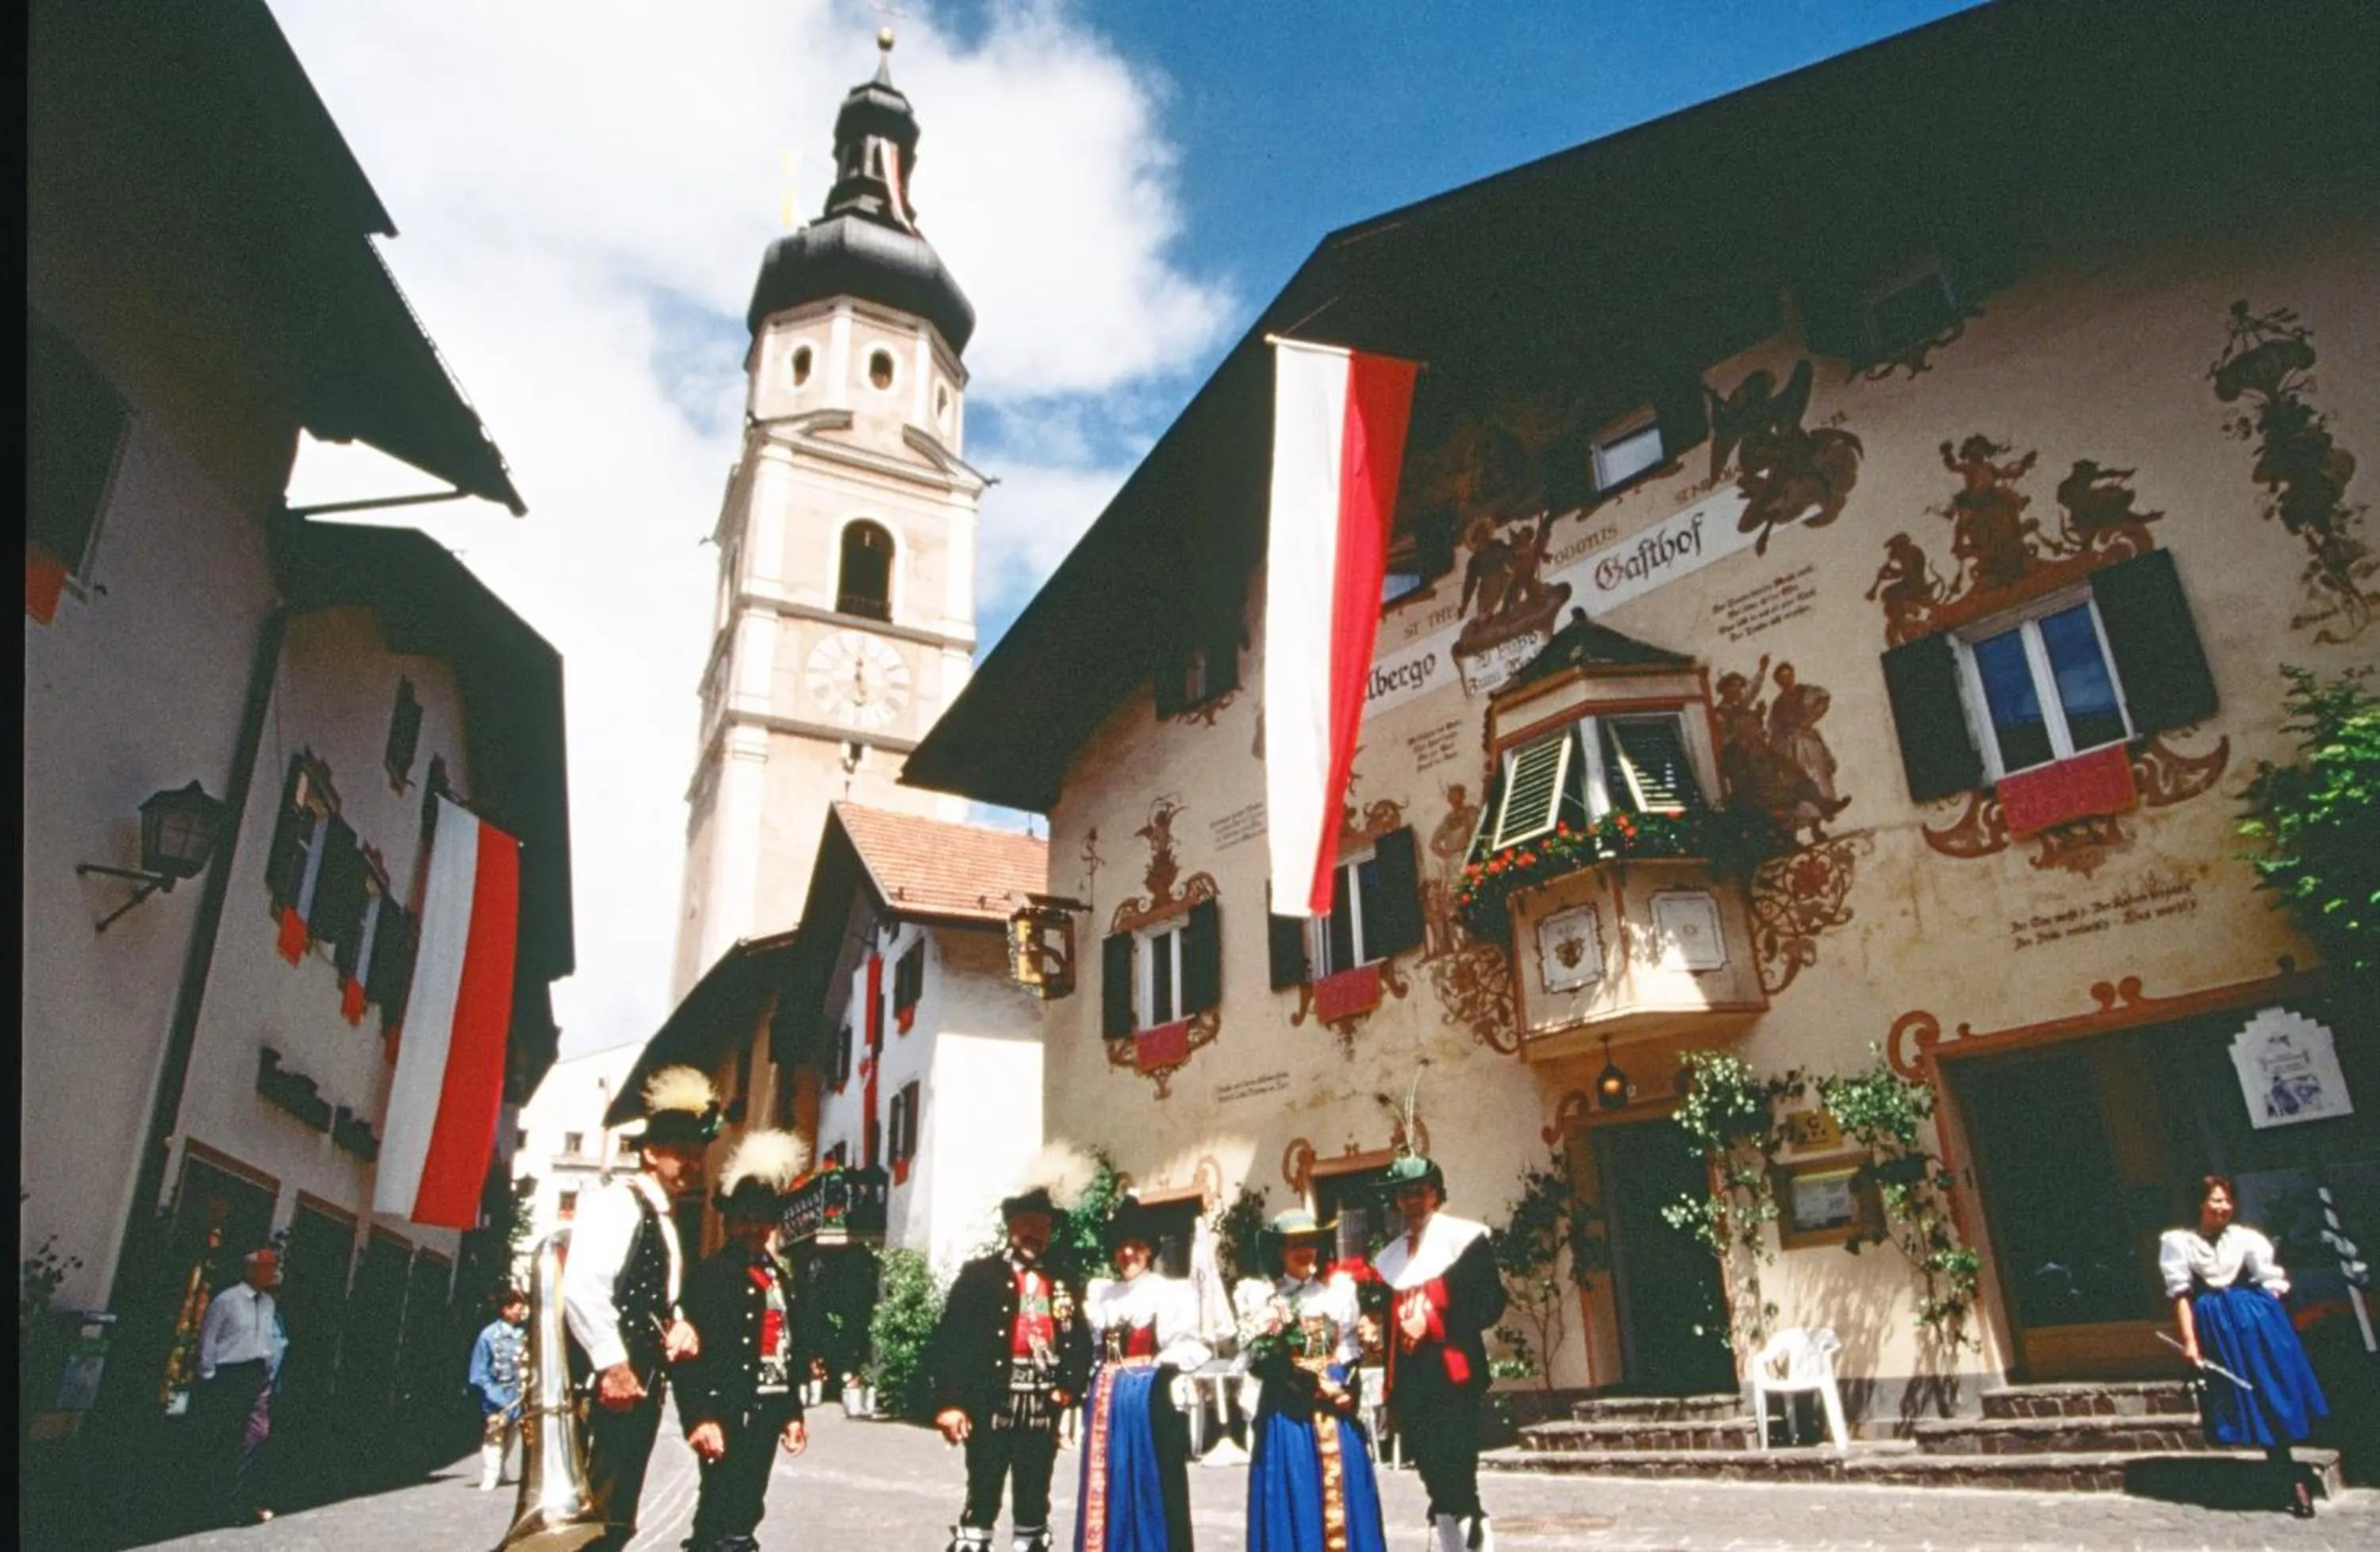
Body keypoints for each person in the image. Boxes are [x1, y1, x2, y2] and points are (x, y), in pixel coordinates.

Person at [562, 1064, 718, 1550]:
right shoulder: (618, 1203)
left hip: (640, 1390)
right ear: (650, 1152)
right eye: (681, 1154)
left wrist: (680, 1325)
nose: (692, 1164)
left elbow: (653, 1298)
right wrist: (612, 1365)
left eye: (697, 1155)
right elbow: (584, 1287)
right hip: (610, 1390)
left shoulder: (664, 1219)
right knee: (588, 1521)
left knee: (616, 1519)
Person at [929, 1183, 1092, 1552]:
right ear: (1011, 1227)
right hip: (990, 1404)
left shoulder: (1063, 1278)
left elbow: (1079, 1343)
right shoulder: (980, 1276)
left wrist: (1070, 1386)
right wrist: (950, 1403)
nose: (1036, 1233)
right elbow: (950, 1342)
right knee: (983, 1493)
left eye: (1044, 1226)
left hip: (1042, 1406)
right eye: (1028, 1224)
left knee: (1035, 1498)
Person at [2160, 1174, 2331, 1518]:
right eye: (2216, 1200)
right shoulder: (2179, 1242)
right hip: (2218, 1329)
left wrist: (2274, 1320)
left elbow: (2270, 1281)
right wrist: (2190, 1341)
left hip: (2258, 1324)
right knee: (2246, 1396)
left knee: (2273, 1389)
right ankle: (2278, 1473)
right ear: (2200, 1203)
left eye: (2227, 1201)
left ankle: (2291, 1477)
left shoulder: (2245, 1238)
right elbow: (2182, 1296)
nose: (2224, 1207)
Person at [677, 1128, 811, 1552]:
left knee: (750, 1501)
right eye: (745, 1217)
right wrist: (700, 1417)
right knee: (719, 1500)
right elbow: (689, 1360)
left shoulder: (780, 1277)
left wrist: (793, 1413)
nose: (754, 1226)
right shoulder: (710, 1275)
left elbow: (789, 1347)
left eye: (763, 1218)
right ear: (729, 1221)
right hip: (726, 1407)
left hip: (770, 1404)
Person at [1372, 1154, 1507, 1552]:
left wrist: (1434, 1322)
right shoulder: (1392, 1256)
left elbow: (1490, 1305)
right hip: (1413, 1386)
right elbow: (1394, 1331)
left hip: (1453, 1379)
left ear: (1435, 1193)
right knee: (1431, 1476)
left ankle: (1476, 1545)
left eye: (1420, 1191)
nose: (1413, 1201)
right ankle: (1452, 1544)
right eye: (1404, 1194)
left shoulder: (1465, 1241)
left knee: (1459, 1473)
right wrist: (1390, 1388)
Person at [1238, 1211, 1388, 1552]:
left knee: (1346, 1492)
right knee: (1296, 1487)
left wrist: (1349, 1390)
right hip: (1288, 1411)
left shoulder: (1337, 1293)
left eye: (1310, 1243)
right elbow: (1262, 1364)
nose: (1304, 1251)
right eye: (1295, 1244)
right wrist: (1312, 1387)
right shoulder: (1265, 1300)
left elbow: (1349, 1352)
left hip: (1336, 1409)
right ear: (1280, 1251)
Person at [1076, 1198, 1210, 1552]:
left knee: (1150, 1482)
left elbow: (1185, 1347)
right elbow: (1091, 1351)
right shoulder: (1102, 1294)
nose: (1128, 1253)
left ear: (1149, 1249)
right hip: (1106, 1403)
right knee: (1109, 1481)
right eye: (1121, 1246)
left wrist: (1154, 1375)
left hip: (1146, 1402)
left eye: (1135, 1245)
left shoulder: (1166, 1292)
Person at [194, 1246, 288, 1526]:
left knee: (256, 1437)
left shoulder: (268, 1303)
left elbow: (268, 1339)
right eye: (269, 1267)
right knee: (225, 1438)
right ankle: (217, 1503)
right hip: (229, 1373)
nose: (274, 1273)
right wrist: (208, 1374)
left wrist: (269, 1369)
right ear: (252, 1270)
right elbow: (208, 1338)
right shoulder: (227, 1300)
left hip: (257, 1374)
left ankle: (242, 1500)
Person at [469, 1286, 530, 1491]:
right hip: (496, 1393)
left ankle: (501, 1467)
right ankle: (491, 1473)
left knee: (511, 1434)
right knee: (494, 1434)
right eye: (518, 1308)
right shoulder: (488, 1335)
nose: (522, 1312)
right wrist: (491, 1393)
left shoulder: (525, 1332)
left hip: (518, 1394)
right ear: (506, 1309)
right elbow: (479, 1370)